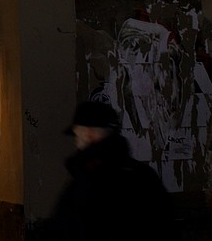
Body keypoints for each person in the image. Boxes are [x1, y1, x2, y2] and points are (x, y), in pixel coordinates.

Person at [43, 100, 178, 240]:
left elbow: (61, 230)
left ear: (88, 134)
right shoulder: (145, 177)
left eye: (77, 135)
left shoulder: (87, 182)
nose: (76, 143)